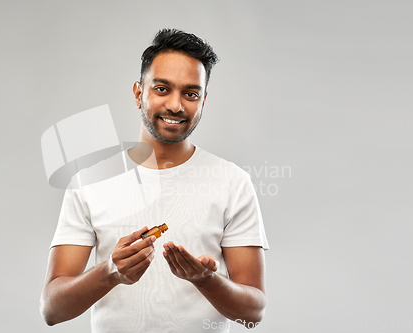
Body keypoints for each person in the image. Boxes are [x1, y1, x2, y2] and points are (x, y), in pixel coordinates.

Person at [40, 29, 269, 333]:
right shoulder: (89, 183)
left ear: (203, 101)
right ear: (138, 93)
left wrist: (206, 280)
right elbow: (52, 310)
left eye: (191, 93)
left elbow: (252, 314)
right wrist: (110, 272)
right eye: (162, 89)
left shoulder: (232, 182)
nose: (176, 106)